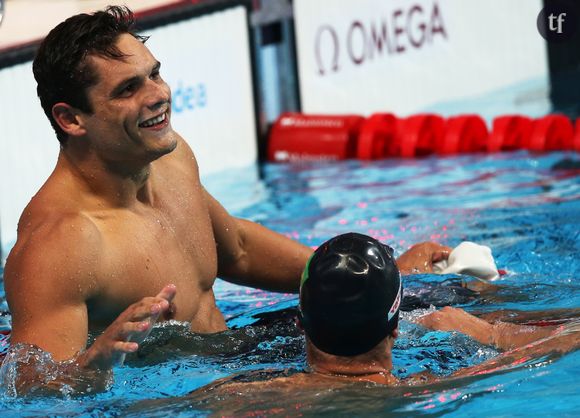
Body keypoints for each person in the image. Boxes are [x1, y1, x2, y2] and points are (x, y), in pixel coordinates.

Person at [1, 6, 448, 394]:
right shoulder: (62, 243)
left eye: (154, 73)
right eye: (127, 89)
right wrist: (95, 363)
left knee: (445, 307)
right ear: (70, 118)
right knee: (376, 388)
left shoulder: (169, 161)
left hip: (232, 356)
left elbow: (237, 249)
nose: (157, 95)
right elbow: (31, 392)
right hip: (186, 399)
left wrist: (351, 283)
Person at [181, 233, 579, 402]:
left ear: (299, 323)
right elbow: (565, 339)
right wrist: (491, 334)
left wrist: (113, 356)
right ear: (397, 327)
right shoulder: (427, 388)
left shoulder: (235, 395)